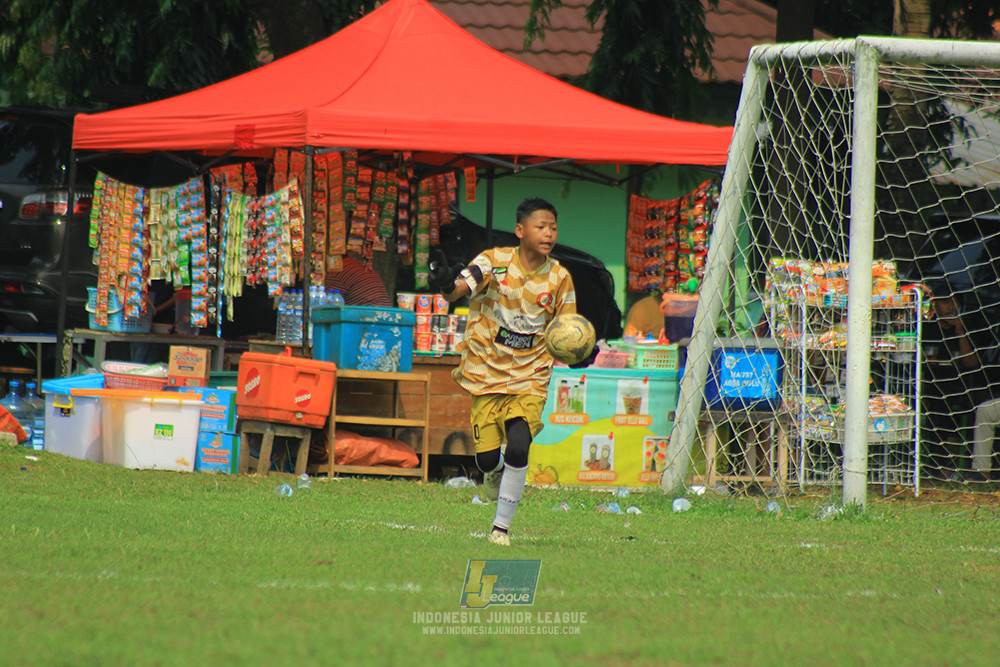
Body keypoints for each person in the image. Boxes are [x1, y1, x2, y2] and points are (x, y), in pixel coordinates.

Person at [430, 197, 577, 547]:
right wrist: (446, 283)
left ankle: (500, 528)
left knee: (520, 447)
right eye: (540, 226)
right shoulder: (493, 262)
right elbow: (458, 291)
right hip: (486, 372)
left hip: (530, 375)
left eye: (553, 227)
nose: (549, 233)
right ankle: (493, 472)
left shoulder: (559, 277)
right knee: (486, 461)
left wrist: (580, 347)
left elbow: (566, 328)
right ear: (520, 230)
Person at [324, 254, 392, 307]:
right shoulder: (360, 264)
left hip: (366, 319)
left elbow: (326, 308)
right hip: (387, 317)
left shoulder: (336, 271)